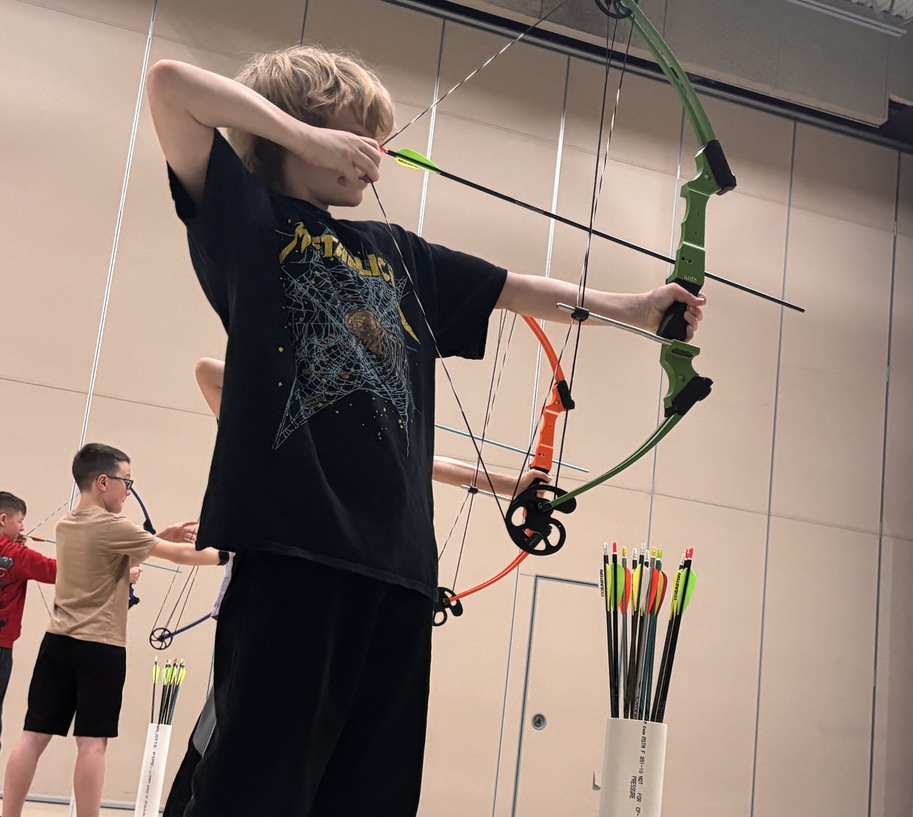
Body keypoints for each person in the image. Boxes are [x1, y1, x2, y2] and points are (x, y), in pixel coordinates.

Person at [146, 45, 704, 817]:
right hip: (295, 554)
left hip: (401, 571)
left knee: (369, 795)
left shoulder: (395, 253)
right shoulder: (246, 222)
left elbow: (513, 288)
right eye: (359, 132)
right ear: (300, 127)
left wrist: (637, 310)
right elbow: (170, 86)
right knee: (256, 787)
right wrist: (309, 142)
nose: (375, 150)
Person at [162, 357, 546, 817]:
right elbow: (208, 370)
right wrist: (307, 382)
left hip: (337, 612)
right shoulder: (276, 425)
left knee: (328, 756)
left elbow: (429, 462)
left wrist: (513, 484)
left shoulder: (362, 446)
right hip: (268, 613)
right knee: (234, 747)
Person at [0, 444, 222, 817]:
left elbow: (113, 555)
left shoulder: (67, 524)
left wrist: (160, 534)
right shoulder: (115, 526)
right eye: (126, 481)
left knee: (33, 735)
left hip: (56, 644)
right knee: (92, 744)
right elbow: (180, 555)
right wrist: (230, 554)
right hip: (99, 649)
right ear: (103, 481)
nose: (128, 490)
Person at [0, 492, 58, 751]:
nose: (23, 527)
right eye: (20, 521)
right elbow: (60, 571)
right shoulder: (16, 555)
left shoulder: (15, 553)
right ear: (3, 519)